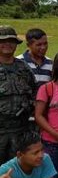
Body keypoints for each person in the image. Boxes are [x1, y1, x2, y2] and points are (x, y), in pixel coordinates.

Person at [0, 26, 37, 165]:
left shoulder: (24, 68)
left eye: (11, 41)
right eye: (3, 41)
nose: (7, 44)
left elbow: (33, 94)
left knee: (18, 171)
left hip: (20, 131)